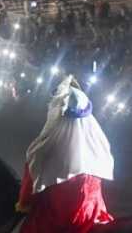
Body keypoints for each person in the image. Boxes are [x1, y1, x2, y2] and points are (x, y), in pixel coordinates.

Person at [16, 75, 115, 233]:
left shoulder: (42, 149)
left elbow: (29, 185)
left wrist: (24, 203)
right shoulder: (98, 145)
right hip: (92, 211)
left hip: (61, 215)